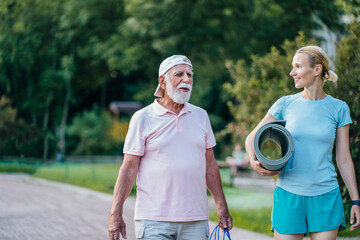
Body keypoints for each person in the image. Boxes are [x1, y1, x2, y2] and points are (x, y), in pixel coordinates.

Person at [108, 55, 232, 240]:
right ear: (162, 81)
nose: (187, 79)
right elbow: (128, 168)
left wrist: (222, 207)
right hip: (153, 220)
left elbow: (211, 165)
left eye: (190, 75)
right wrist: (115, 213)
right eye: (179, 74)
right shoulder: (143, 118)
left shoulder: (201, 116)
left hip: (195, 221)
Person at [245, 46, 360, 240]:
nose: (292, 73)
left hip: (325, 195)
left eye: (298, 66)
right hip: (289, 194)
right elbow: (251, 137)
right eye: (293, 67)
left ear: (317, 70)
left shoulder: (339, 108)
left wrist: (356, 200)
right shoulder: (285, 104)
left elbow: (344, 158)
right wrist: (252, 160)